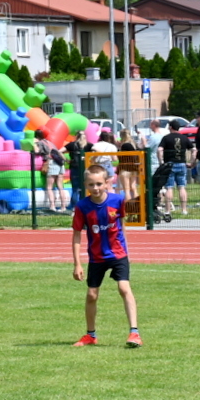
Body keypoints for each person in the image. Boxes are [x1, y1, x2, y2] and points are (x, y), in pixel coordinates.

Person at [71, 164, 140, 348]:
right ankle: (90, 335)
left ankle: (134, 333)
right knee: (92, 295)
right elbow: (77, 234)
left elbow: (122, 225)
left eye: (99, 184)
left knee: (124, 289)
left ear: (107, 182)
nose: (95, 188)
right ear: (86, 184)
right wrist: (77, 264)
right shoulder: (82, 206)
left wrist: (126, 249)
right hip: (96, 257)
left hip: (118, 254)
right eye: (91, 184)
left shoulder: (118, 201)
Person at [158, 120, 191, 215]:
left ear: (171, 127)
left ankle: (168, 210)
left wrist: (161, 162)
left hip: (170, 164)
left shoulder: (166, 138)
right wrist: (191, 161)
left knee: (169, 188)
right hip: (181, 164)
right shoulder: (184, 138)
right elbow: (193, 149)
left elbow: (160, 150)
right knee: (181, 187)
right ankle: (184, 210)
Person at [117, 129, 139, 202]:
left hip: (125, 169)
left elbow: (120, 157)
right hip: (133, 168)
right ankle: (137, 206)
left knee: (126, 190)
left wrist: (118, 149)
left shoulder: (124, 145)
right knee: (133, 188)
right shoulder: (134, 144)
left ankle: (128, 208)